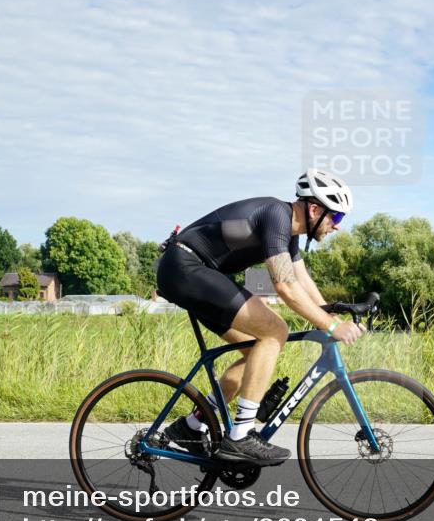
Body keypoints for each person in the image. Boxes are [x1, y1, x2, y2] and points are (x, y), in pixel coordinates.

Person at [156, 169, 365, 465]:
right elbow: (285, 286)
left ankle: (189, 427)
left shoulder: (289, 232)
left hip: (193, 272)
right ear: (315, 209)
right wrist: (331, 326)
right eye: (337, 217)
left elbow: (300, 277)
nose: (338, 227)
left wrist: (331, 312)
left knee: (254, 351)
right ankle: (241, 436)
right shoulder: (276, 216)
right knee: (274, 331)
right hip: (186, 267)